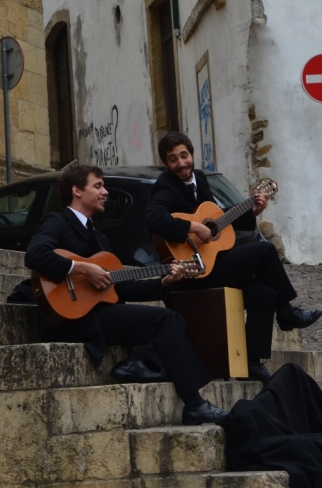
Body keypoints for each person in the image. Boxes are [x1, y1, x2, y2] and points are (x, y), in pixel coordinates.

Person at [25, 164, 228, 425]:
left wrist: (163, 281)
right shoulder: (57, 221)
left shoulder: (100, 240)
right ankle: (195, 404)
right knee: (164, 320)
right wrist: (83, 268)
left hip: (97, 313)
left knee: (174, 318)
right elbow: (35, 255)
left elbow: (121, 288)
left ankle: (136, 362)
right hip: (72, 318)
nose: (105, 192)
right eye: (97, 186)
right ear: (76, 191)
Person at [146, 132, 322, 383]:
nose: (181, 163)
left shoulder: (199, 179)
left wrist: (251, 211)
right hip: (192, 273)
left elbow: (217, 220)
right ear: (166, 164)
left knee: (265, 295)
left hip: (212, 262)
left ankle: (252, 363)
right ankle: (287, 313)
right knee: (264, 251)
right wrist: (193, 228)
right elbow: (154, 218)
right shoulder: (165, 186)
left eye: (184, 156)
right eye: (173, 159)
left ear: (192, 155)